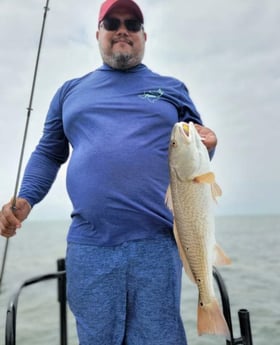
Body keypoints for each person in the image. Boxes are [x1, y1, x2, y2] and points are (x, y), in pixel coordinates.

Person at [0, 0, 218, 344]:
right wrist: (26, 199)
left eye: (132, 24)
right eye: (112, 22)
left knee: (158, 338)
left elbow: (197, 152)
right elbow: (48, 151)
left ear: (144, 35)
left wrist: (209, 143)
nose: (122, 30)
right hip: (90, 246)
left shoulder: (172, 89)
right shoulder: (69, 92)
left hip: (158, 242)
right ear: (98, 33)